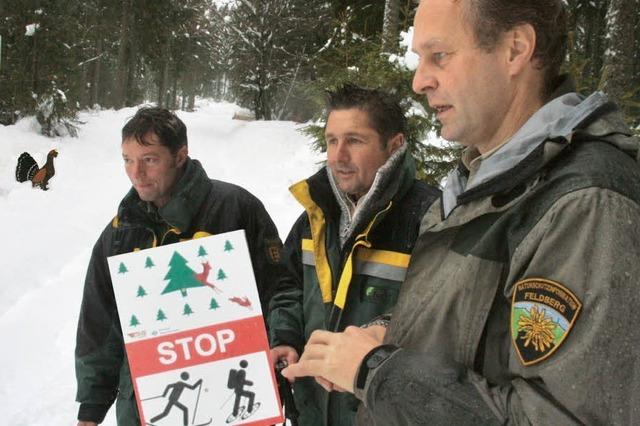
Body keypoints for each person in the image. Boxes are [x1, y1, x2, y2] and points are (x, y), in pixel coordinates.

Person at [282, 0, 640, 424]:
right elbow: (475, 327)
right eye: (419, 60)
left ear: (515, 49)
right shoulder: (483, 183)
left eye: (439, 56)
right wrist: (390, 332)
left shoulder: (584, 204)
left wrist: (375, 370)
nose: (419, 82)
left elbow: (570, 415)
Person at [75, 107, 284, 426]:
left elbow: (279, 293)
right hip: (144, 410)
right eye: (128, 160)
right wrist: (91, 408)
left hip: (231, 404)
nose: (136, 173)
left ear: (180, 155)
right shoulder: (120, 232)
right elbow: (99, 324)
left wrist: (281, 361)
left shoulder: (236, 209)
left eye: (149, 159)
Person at [268, 84, 440, 425]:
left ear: (394, 146)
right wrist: (285, 337)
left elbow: (439, 320)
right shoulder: (314, 218)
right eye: (332, 140)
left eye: (354, 141)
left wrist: (381, 334)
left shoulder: (430, 219)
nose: (338, 156)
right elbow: (287, 286)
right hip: (312, 411)